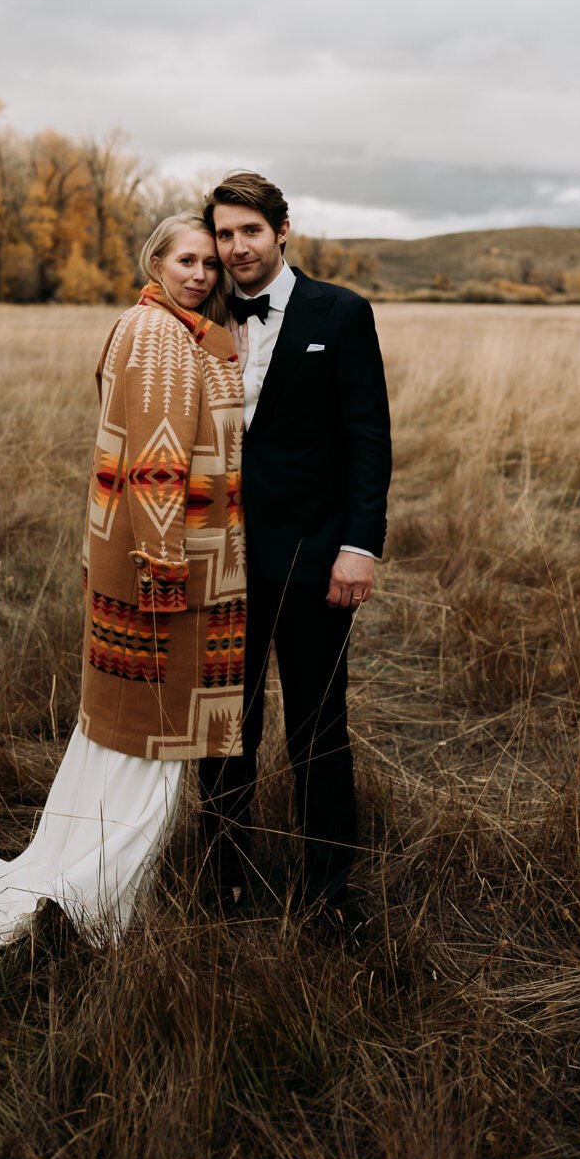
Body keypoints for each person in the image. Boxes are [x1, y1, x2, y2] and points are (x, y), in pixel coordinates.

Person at [0, 215, 246, 946]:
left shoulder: (167, 331)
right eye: (186, 259)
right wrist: (163, 563)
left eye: (210, 263)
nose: (201, 274)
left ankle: (89, 881)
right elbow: (155, 459)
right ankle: (91, 908)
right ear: (155, 261)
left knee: (128, 736)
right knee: (154, 740)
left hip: (156, 562)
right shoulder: (157, 337)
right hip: (164, 572)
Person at [197, 171, 391, 926]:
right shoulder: (199, 314)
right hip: (220, 560)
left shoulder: (338, 313)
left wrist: (357, 546)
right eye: (223, 233)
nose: (236, 246)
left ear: (282, 231)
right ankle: (225, 879)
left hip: (314, 557)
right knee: (224, 727)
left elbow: (366, 438)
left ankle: (326, 893)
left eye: (250, 231)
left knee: (317, 726)